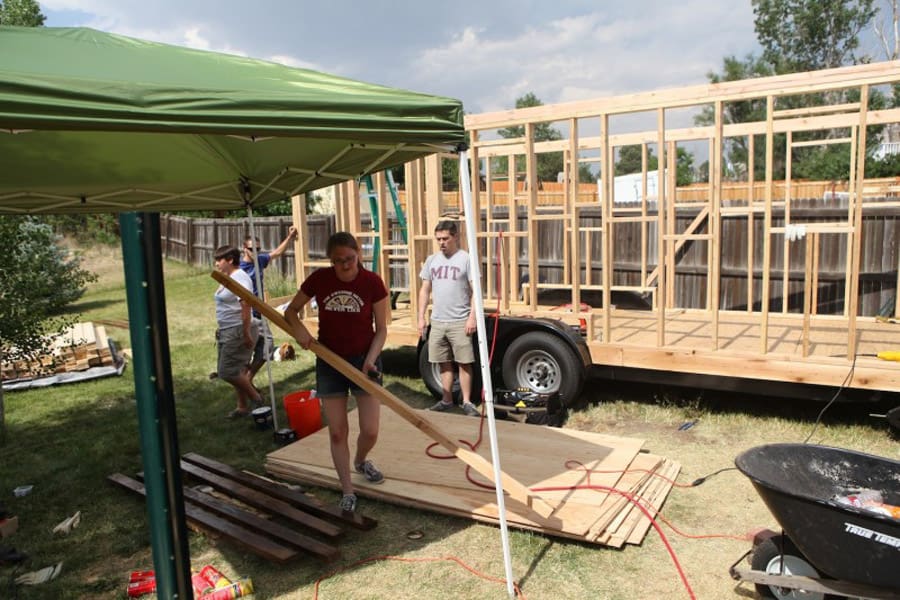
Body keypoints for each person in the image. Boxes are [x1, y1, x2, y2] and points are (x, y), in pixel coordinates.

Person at [284, 232, 389, 513]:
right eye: (338, 261)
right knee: (337, 432)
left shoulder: (372, 283)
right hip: (329, 359)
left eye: (350, 259)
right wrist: (300, 333)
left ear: (359, 254)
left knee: (370, 429)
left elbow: (382, 329)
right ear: (330, 261)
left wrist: (370, 360)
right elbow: (291, 312)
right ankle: (347, 490)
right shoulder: (320, 280)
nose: (344, 266)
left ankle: (360, 460)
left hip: (365, 360)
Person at [417, 220, 479, 417]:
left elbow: (475, 291)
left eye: (445, 239)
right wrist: (421, 317)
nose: (441, 243)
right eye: (438, 239)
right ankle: (446, 400)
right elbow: (424, 290)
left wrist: (472, 318)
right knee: (443, 362)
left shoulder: (466, 259)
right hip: (437, 321)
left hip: (459, 320)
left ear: (455, 237)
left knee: (464, 362)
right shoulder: (431, 260)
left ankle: (467, 402)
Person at [240, 226, 298, 387]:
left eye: (258, 249)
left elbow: (277, 253)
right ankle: (244, 382)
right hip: (246, 313)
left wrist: (290, 237)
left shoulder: (259, 260)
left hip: (259, 311)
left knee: (266, 345)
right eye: (252, 249)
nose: (256, 252)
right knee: (253, 348)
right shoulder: (239, 269)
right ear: (244, 249)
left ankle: (247, 379)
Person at [213, 245, 264, 418]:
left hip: (238, 330)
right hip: (228, 330)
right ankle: (242, 407)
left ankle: (256, 398)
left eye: (219, 260)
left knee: (227, 371)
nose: (216, 263)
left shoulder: (239, 277)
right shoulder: (229, 277)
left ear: (230, 260)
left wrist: (246, 332)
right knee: (237, 370)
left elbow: (246, 304)